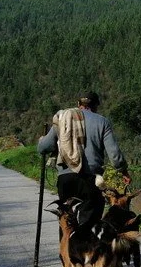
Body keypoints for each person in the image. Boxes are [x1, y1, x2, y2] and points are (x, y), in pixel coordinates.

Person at [38, 91, 130, 232]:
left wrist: (41, 140)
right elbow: (116, 157)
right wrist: (124, 172)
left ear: (78, 104)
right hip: (90, 179)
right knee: (88, 224)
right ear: (96, 106)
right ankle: (85, 249)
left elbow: (44, 147)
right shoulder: (102, 122)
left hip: (66, 178)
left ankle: (66, 252)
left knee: (66, 220)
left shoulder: (63, 118)